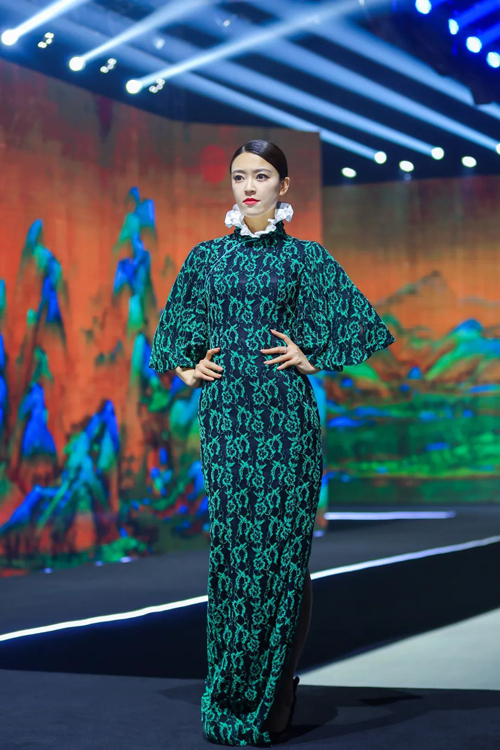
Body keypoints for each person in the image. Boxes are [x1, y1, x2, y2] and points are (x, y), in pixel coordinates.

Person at [148, 139, 397, 746]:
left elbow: (363, 325)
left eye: (261, 176)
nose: (249, 187)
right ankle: (232, 689)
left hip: (286, 425)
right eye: (239, 177)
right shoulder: (206, 258)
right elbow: (172, 332)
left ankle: (278, 689)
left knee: (284, 558)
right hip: (228, 424)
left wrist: (314, 358)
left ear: (283, 186)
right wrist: (187, 369)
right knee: (236, 556)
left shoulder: (306, 258)